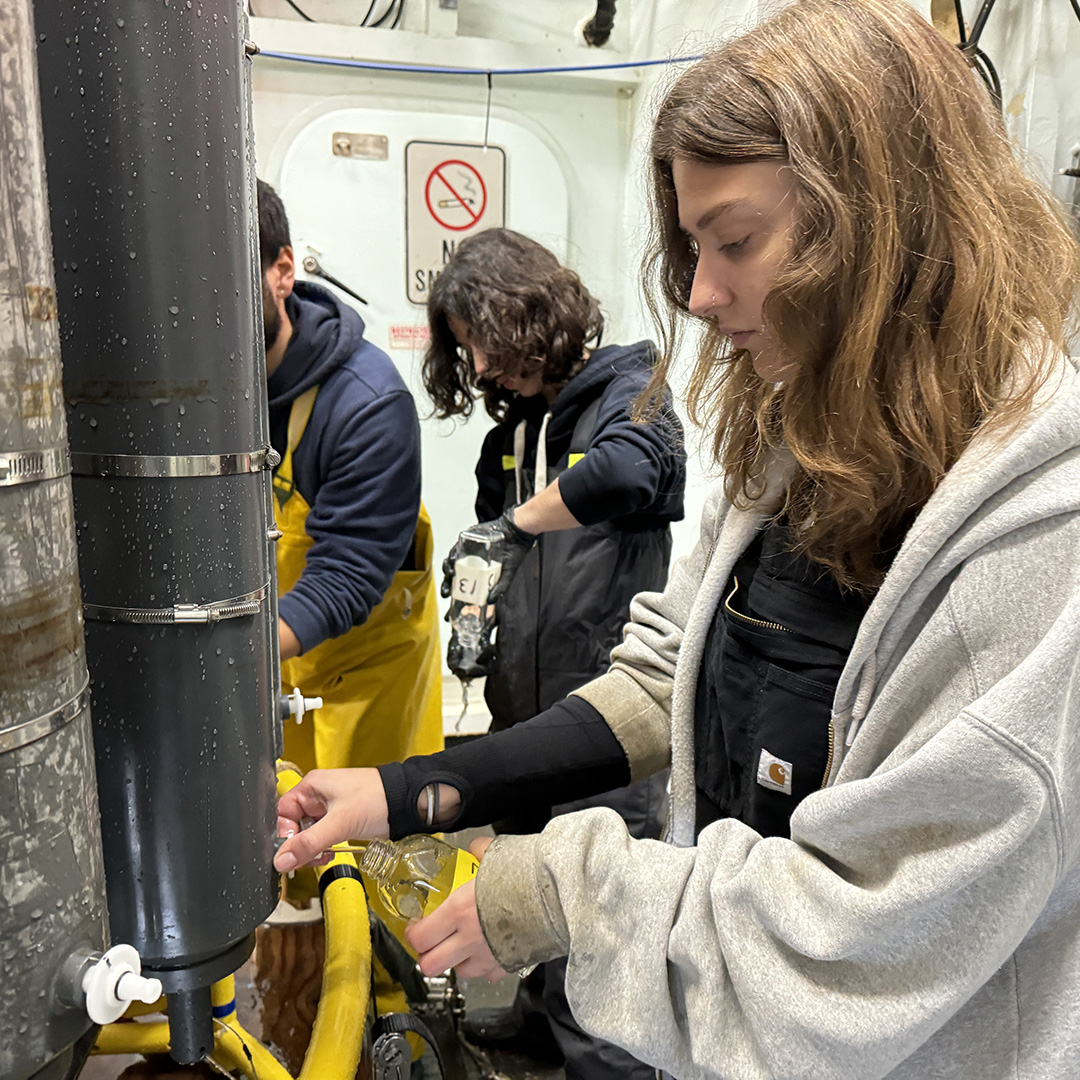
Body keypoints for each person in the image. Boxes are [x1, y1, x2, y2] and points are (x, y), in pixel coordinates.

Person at [274, 2, 1080, 1077]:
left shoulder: (1031, 546)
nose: (701, 294)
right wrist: (412, 788)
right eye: (693, 247)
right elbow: (665, 680)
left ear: (885, 225)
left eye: (735, 240)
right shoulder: (805, 441)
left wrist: (555, 885)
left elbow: (844, 943)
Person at [421, 227, 686, 1076]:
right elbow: (492, 547)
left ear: (529, 313)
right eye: (471, 356)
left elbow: (631, 473)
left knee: (593, 907)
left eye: (487, 346)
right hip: (523, 710)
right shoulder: (515, 434)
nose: (486, 370)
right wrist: (473, 613)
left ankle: (603, 1063)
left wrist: (513, 524)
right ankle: (539, 1022)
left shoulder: (630, 389)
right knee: (527, 879)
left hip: (606, 718)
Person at [258, 179, 443, 779]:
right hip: (282, 661)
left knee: (367, 857)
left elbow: (348, 572)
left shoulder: (365, 401)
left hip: (369, 675)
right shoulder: (211, 399)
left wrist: (228, 659)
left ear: (283, 270)